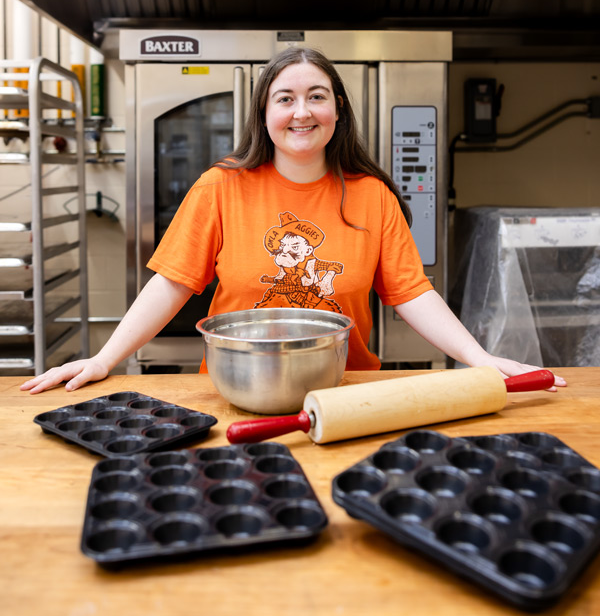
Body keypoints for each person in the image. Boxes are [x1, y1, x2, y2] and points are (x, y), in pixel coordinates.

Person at [21, 46, 566, 395]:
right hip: (236, 395)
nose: (301, 111)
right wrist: (105, 358)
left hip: (346, 394)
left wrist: (478, 359)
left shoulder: (373, 196)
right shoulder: (221, 187)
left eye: (316, 96)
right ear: (265, 114)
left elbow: (411, 292)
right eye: (285, 98)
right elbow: (170, 284)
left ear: (337, 111)